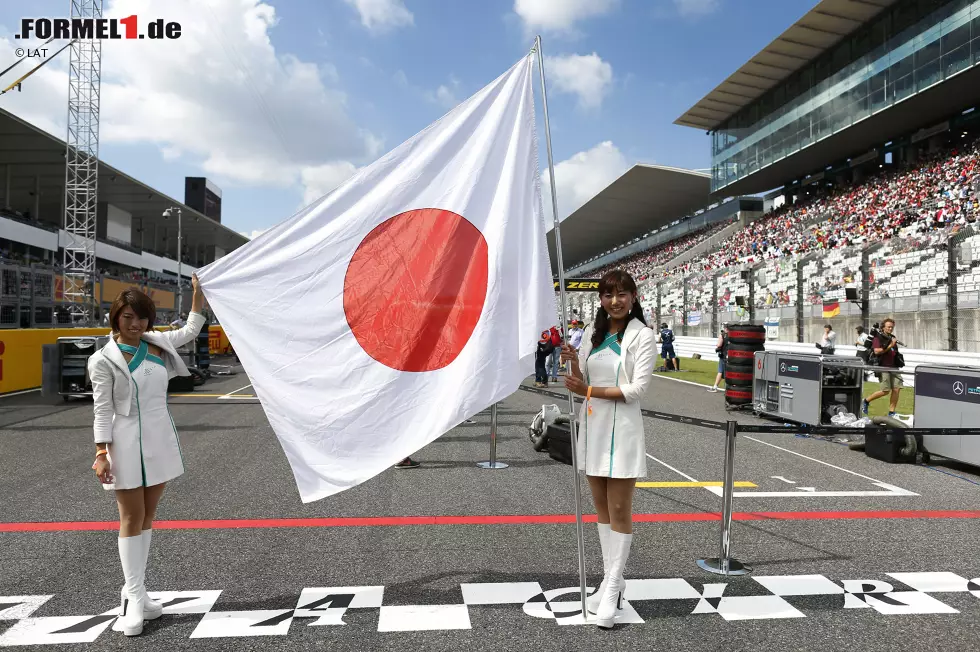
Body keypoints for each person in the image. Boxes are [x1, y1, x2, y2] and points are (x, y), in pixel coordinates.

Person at [89, 276, 207, 637]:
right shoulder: (102, 359)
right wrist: (101, 452)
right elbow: (102, 409)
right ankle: (133, 597)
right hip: (123, 442)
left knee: (148, 515)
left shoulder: (157, 343)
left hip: (159, 436)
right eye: (127, 317)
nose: (135, 323)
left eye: (141, 317)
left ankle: (138, 591)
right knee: (130, 516)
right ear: (116, 318)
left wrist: (198, 293)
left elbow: (190, 329)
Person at [559, 269, 656, 630]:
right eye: (607, 295)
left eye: (621, 294)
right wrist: (572, 359)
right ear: (600, 300)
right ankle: (608, 580)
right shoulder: (592, 335)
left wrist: (587, 392)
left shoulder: (642, 336)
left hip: (624, 429)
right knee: (600, 507)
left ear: (633, 297)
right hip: (594, 425)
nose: (614, 301)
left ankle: (614, 586)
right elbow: (581, 379)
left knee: (619, 509)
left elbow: (637, 389)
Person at [863, 318, 903, 417]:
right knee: (885, 391)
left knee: (897, 389)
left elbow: (894, 351)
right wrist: (890, 346)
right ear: (883, 327)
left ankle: (891, 412)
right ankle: (866, 401)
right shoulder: (877, 337)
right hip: (883, 366)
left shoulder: (892, 337)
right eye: (888, 327)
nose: (890, 329)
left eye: (892, 327)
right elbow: (877, 351)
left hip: (894, 367)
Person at [708, 324, 728, 393]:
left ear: (725, 328)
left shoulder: (722, 335)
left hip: (723, 356)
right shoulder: (733, 336)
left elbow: (719, 345)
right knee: (730, 372)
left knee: (720, 371)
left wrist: (717, 346)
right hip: (731, 356)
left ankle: (715, 387)